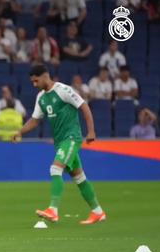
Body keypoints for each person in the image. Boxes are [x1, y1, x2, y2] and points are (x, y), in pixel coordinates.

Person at [12, 64, 106, 225]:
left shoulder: (63, 90)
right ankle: (98, 212)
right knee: (78, 177)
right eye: (32, 82)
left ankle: (53, 210)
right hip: (60, 141)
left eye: (36, 81)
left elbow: (84, 107)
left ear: (45, 76)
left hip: (71, 137)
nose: (34, 85)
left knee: (55, 168)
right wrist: (20, 131)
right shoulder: (41, 97)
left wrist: (91, 132)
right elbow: (35, 119)